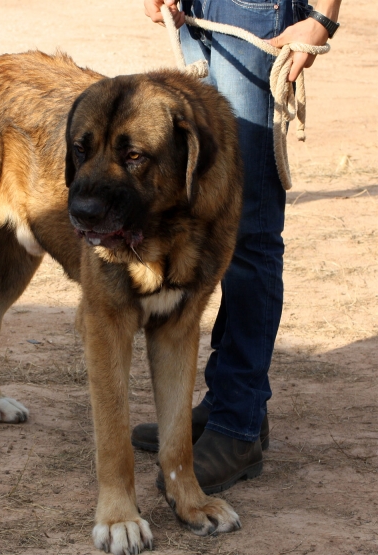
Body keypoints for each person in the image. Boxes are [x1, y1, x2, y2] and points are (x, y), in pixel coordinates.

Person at [132, 0, 342, 494]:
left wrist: (323, 17)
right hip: (196, 10)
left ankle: (238, 428)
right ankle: (230, 400)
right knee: (212, 217)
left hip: (256, 14)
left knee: (250, 230)